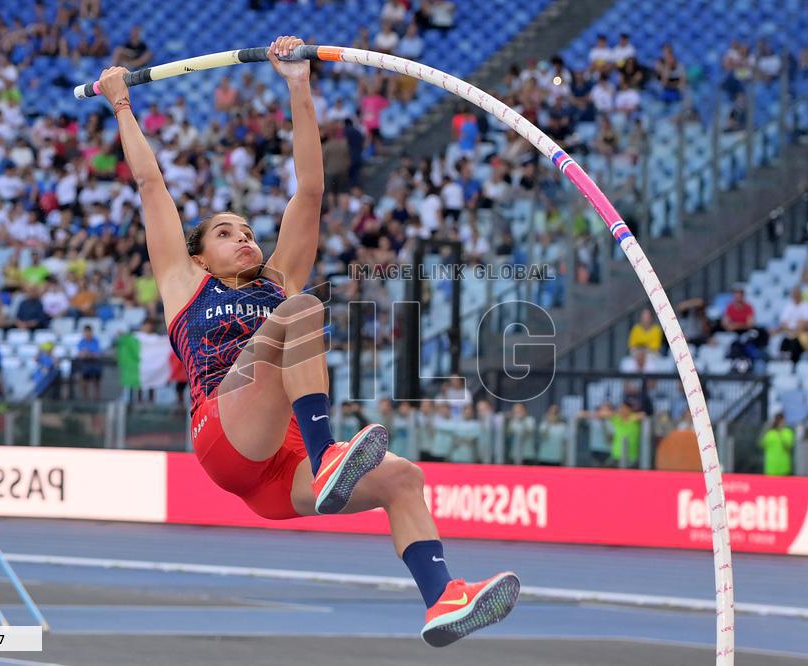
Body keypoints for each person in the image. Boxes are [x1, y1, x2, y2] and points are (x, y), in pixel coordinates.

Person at [95, 35, 518, 646]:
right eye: (225, 232)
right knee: (299, 310)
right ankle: (329, 459)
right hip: (225, 433)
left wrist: (298, 84)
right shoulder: (183, 282)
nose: (244, 237)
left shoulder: (279, 278)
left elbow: (311, 191)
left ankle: (442, 599)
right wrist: (121, 105)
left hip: (282, 471)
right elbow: (150, 186)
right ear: (198, 254)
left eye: (247, 230)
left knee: (404, 480)